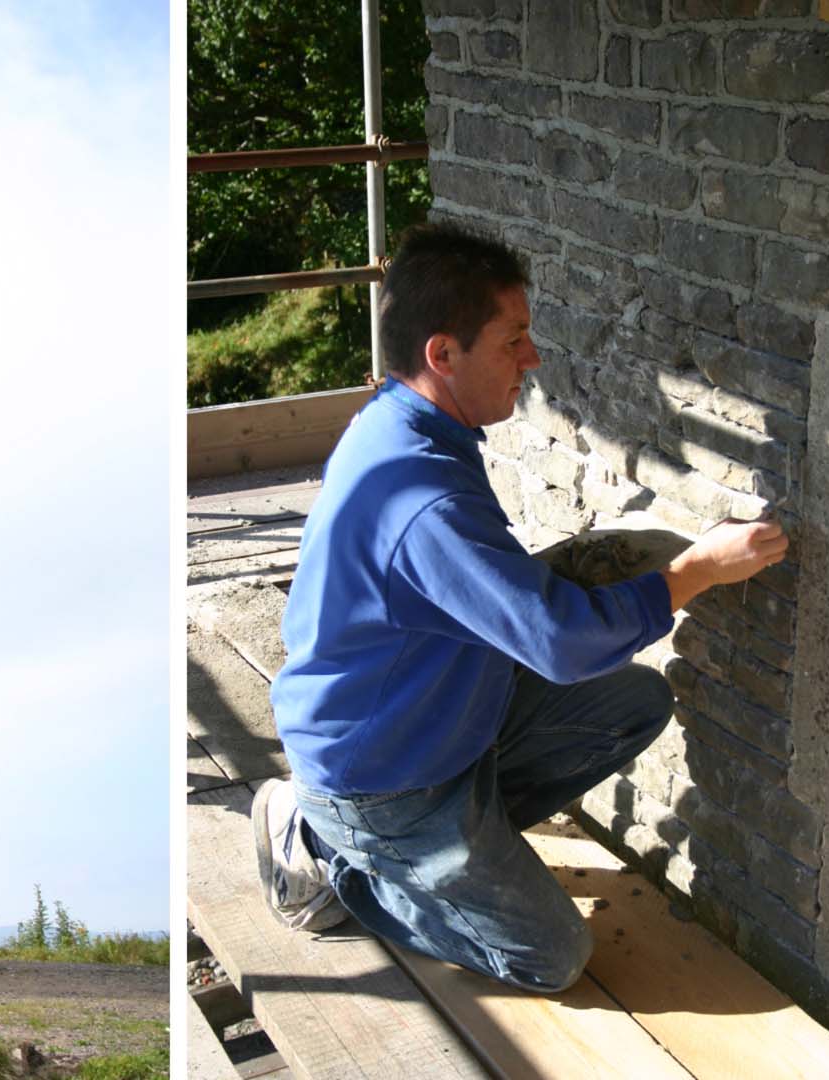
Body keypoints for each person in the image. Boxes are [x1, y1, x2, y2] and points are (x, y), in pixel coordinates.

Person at [259, 222, 789, 992]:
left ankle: (449, 856)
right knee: (551, 958)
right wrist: (696, 570)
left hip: (432, 722)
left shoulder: (404, 424)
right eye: (514, 341)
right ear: (442, 354)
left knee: (633, 700)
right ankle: (328, 861)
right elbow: (557, 644)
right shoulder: (420, 494)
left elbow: (471, 597)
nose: (532, 359)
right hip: (383, 780)